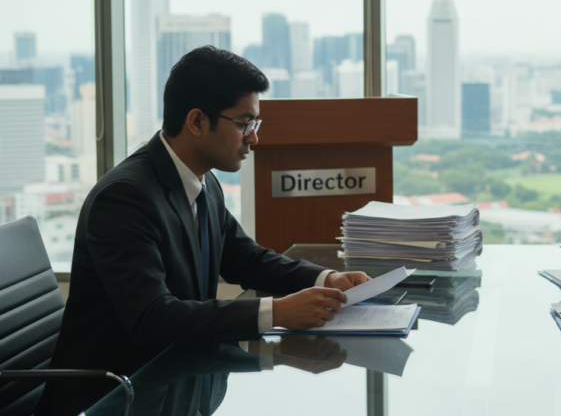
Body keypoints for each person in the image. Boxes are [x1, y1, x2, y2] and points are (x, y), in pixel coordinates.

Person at [38, 47, 370, 415]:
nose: (254, 138)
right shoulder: (125, 198)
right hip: (117, 396)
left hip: (179, 385)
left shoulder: (204, 183)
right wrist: (275, 312)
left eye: (255, 124)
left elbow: (246, 259)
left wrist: (327, 279)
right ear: (197, 121)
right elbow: (152, 319)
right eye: (245, 124)